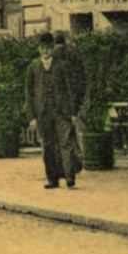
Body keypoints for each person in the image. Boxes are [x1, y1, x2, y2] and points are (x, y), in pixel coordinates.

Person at [27, 32, 83, 188]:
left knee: (66, 143)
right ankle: (52, 179)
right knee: (48, 146)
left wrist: (72, 113)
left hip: (61, 112)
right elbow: (29, 93)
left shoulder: (62, 66)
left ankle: (70, 176)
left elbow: (70, 90)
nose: (46, 51)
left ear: (53, 49)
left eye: (49, 48)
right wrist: (31, 116)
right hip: (43, 113)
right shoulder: (33, 68)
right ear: (39, 49)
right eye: (43, 48)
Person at [55, 31, 88, 174]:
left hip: (59, 103)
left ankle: (68, 165)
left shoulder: (53, 58)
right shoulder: (74, 56)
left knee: (62, 136)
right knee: (71, 133)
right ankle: (76, 160)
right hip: (73, 100)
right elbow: (82, 79)